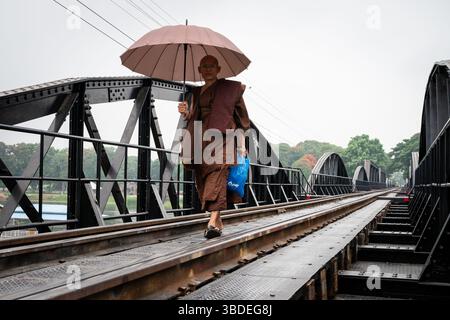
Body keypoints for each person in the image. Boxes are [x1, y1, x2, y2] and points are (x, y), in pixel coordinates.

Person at [178, 55, 251, 239]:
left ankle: (211, 222)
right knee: (203, 179)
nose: (208, 69)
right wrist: (186, 113)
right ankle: (217, 221)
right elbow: (193, 117)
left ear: (218, 69)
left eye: (212, 66)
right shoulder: (195, 92)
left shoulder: (231, 90)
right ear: (199, 69)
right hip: (200, 140)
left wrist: (241, 145)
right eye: (204, 66)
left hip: (225, 138)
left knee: (218, 174)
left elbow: (242, 120)